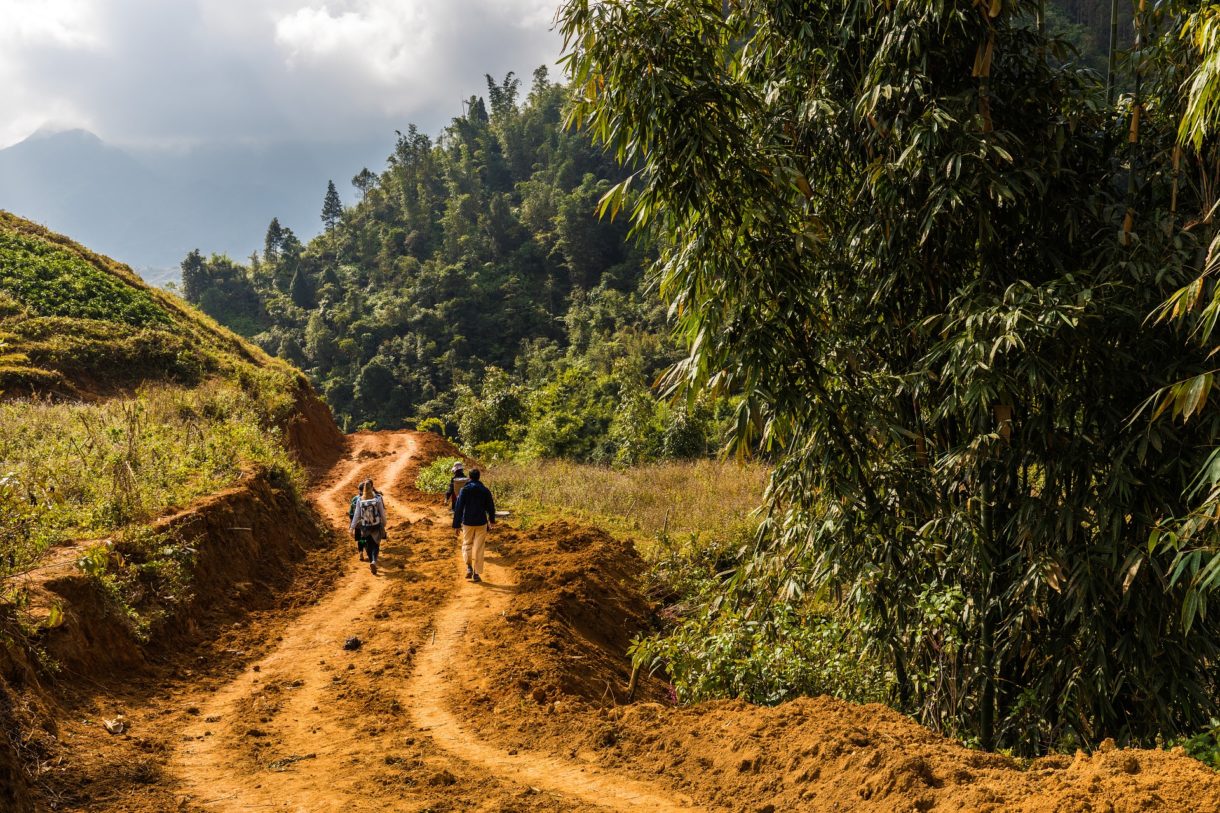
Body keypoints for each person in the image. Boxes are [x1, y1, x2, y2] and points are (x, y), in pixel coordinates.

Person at [452, 468, 495, 583]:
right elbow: (490, 506)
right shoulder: (485, 490)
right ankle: (476, 574)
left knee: (467, 544)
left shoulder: (464, 490)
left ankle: (469, 567)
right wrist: (491, 520)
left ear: (469, 477)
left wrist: (456, 525)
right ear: (479, 477)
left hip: (467, 522)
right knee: (479, 548)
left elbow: (459, 508)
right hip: (481, 522)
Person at [350, 480, 387, 574]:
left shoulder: (359, 499)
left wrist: (352, 527)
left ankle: (370, 561)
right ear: (371, 487)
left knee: (368, 545)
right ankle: (374, 561)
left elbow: (356, 515)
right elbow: (382, 512)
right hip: (376, 525)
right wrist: (384, 523)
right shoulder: (378, 498)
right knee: (376, 545)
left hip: (365, 526)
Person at [348, 479, 371, 560]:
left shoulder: (355, 498)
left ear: (359, 489)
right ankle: (368, 554)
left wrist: (351, 524)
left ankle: (361, 552)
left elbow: (351, 512)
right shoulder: (367, 498)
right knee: (367, 538)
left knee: (360, 539)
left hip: (357, 523)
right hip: (366, 522)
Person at [445, 462, 468, 535]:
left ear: (455, 470)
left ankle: (458, 527)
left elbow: (450, 489)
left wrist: (446, 498)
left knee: (457, 513)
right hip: (466, 500)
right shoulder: (466, 478)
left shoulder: (454, 479)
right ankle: (464, 526)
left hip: (456, 500)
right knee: (465, 512)